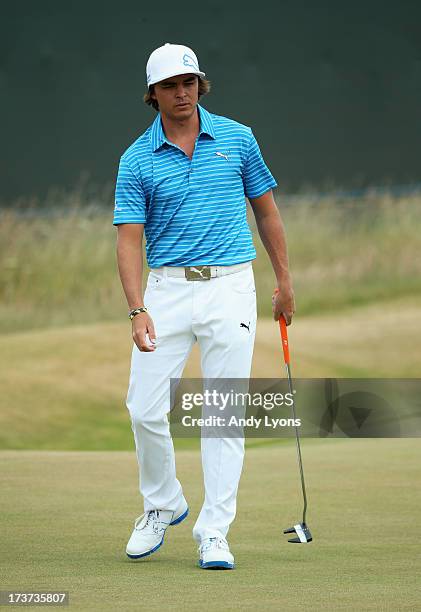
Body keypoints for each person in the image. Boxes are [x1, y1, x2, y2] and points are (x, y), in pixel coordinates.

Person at [113, 43, 295, 570]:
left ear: (200, 85)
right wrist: (136, 307)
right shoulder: (136, 158)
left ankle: (214, 531)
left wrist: (284, 281)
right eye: (170, 85)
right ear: (153, 94)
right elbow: (128, 239)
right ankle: (163, 502)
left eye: (189, 82)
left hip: (231, 287)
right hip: (166, 290)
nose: (182, 92)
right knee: (144, 407)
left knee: (222, 413)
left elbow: (267, 212)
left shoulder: (237, 138)